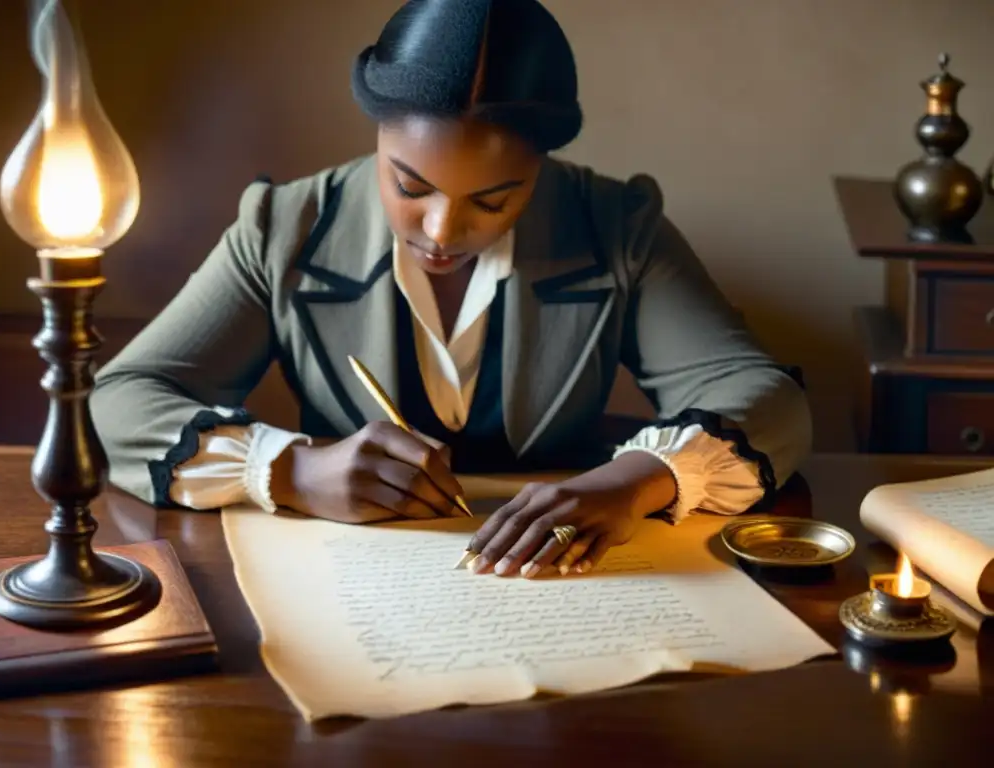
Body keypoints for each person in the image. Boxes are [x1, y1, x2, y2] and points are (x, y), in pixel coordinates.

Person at [92, 0, 811, 580]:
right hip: (357, 589)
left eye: (493, 201)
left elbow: (766, 397)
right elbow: (121, 400)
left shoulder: (616, 227)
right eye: (409, 185)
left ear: (541, 165)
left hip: (568, 590)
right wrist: (293, 471)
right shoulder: (285, 227)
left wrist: (636, 480)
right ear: (376, 134)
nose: (442, 229)